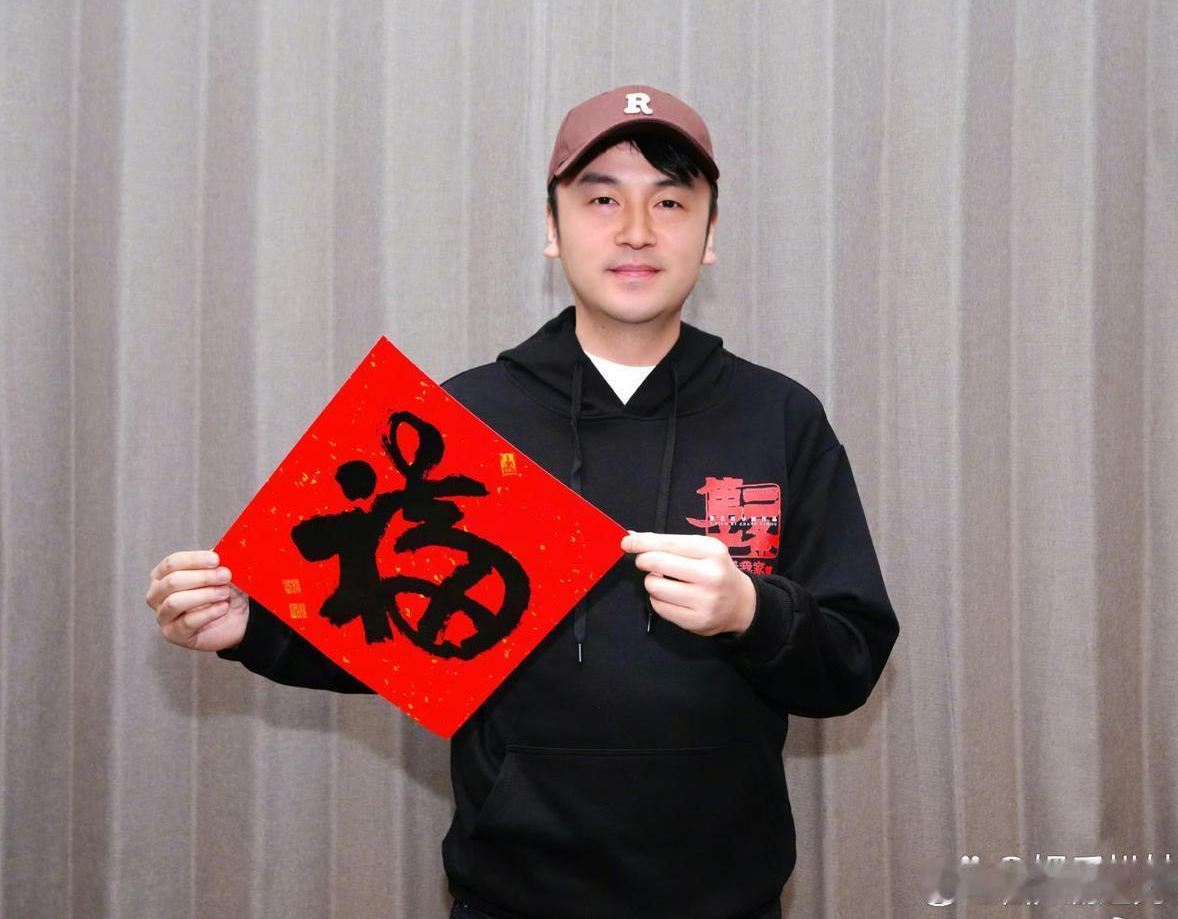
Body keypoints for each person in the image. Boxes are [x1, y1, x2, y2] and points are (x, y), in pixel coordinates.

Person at [145, 84, 900, 919]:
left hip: (729, 894)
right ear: (552, 227)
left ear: (710, 233)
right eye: (601, 199)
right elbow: (392, 624)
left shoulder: (778, 417)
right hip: (512, 891)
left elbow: (851, 660)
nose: (636, 230)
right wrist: (253, 627)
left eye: (670, 202)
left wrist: (749, 611)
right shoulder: (467, 418)